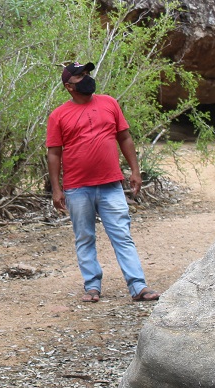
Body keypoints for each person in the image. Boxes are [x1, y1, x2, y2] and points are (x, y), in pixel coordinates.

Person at [46, 61, 159, 303]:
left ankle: (138, 286)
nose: (87, 78)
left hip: (111, 184)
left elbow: (124, 138)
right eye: (80, 76)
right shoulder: (58, 115)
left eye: (88, 73)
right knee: (84, 237)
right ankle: (92, 287)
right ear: (68, 86)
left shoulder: (109, 103)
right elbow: (54, 153)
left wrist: (135, 171)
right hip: (77, 188)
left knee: (122, 235)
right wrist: (56, 189)